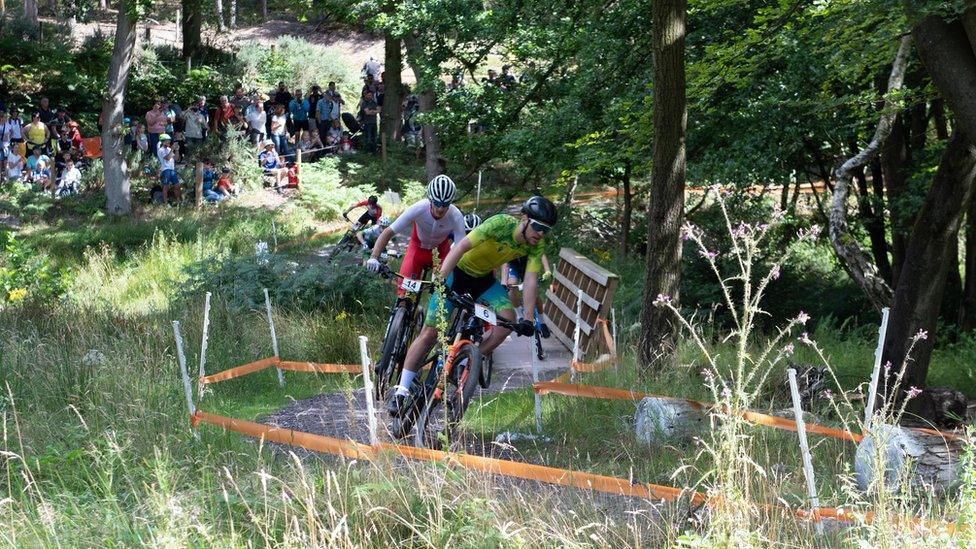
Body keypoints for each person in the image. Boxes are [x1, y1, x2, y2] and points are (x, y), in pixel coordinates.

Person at [384, 195, 557, 415]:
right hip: (457, 274)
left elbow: (531, 279)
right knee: (430, 333)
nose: (541, 233)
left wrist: (529, 318)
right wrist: (441, 278)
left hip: (484, 281)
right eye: (538, 226)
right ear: (524, 218)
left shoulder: (536, 244)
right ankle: (401, 391)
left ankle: (465, 360)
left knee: (508, 321)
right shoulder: (500, 224)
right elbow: (461, 245)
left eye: (546, 230)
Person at [157, 134, 182, 203]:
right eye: (167, 141)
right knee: (166, 187)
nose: (169, 142)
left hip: (172, 170)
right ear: (162, 142)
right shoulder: (160, 150)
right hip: (165, 170)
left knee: (177, 186)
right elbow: (167, 158)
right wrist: (172, 149)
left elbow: (176, 159)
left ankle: (178, 201)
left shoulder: (169, 149)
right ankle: (165, 203)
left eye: (169, 141)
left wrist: (177, 150)